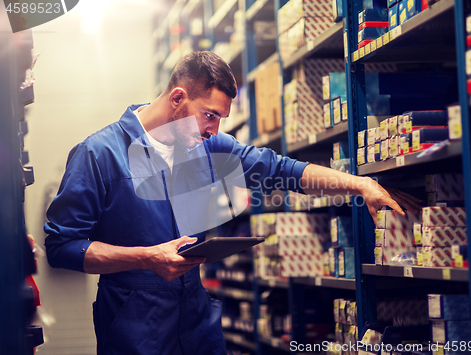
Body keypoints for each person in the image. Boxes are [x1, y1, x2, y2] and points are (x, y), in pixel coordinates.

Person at [44, 51, 420, 355]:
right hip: (133, 327)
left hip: (196, 321)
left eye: (220, 119)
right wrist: (145, 257)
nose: (214, 130)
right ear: (178, 98)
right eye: (209, 115)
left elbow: (279, 169)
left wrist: (359, 184)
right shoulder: (98, 154)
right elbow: (61, 247)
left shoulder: (206, 146)